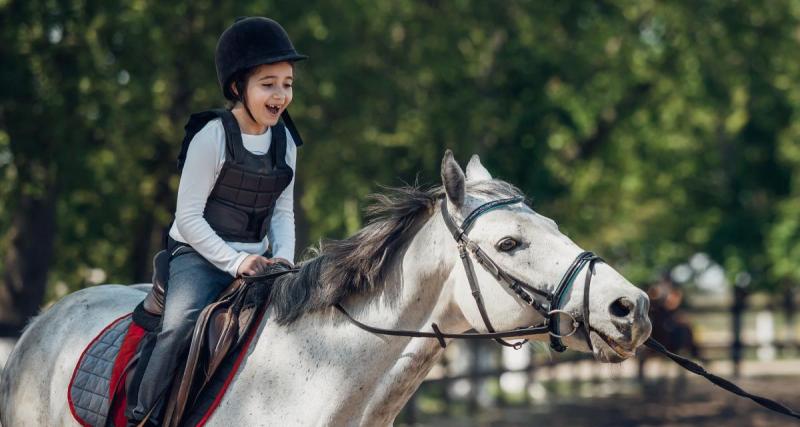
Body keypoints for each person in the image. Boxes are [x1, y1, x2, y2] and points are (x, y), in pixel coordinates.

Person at [126, 16, 307, 426]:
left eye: (288, 83)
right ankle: (144, 416)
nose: (281, 94)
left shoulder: (285, 142)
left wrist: (284, 260)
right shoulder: (212, 136)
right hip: (199, 256)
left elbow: (281, 212)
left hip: (260, 261)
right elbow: (187, 218)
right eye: (268, 84)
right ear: (237, 88)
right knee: (180, 324)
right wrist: (236, 262)